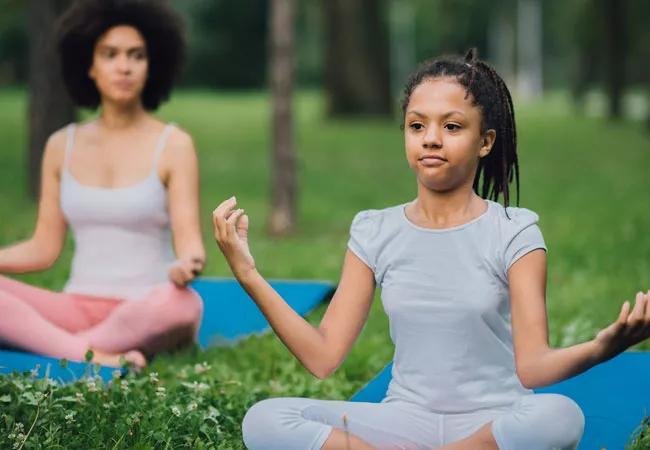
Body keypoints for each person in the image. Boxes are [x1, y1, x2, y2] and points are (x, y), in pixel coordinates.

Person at [213, 49, 650, 449]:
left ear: (486, 142)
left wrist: (603, 347)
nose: (431, 138)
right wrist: (249, 275)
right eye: (417, 125)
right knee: (266, 419)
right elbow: (323, 356)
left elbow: (533, 369)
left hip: (494, 420)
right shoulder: (374, 229)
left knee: (559, 416)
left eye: (452, 126)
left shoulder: (515, 231)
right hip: (405, 420)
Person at [0, 0, 204, 369]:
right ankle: (95, 355)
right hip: (76, 305)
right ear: (89, 66)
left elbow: (189, 241)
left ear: (151, 64)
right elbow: (44, 248)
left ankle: (65, 350)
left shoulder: (174, 145)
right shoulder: (61, 145)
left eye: (136, 55)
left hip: (147, 307)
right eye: (110, 54)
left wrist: (187, 264)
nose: (124, 66)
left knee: (185, 305)